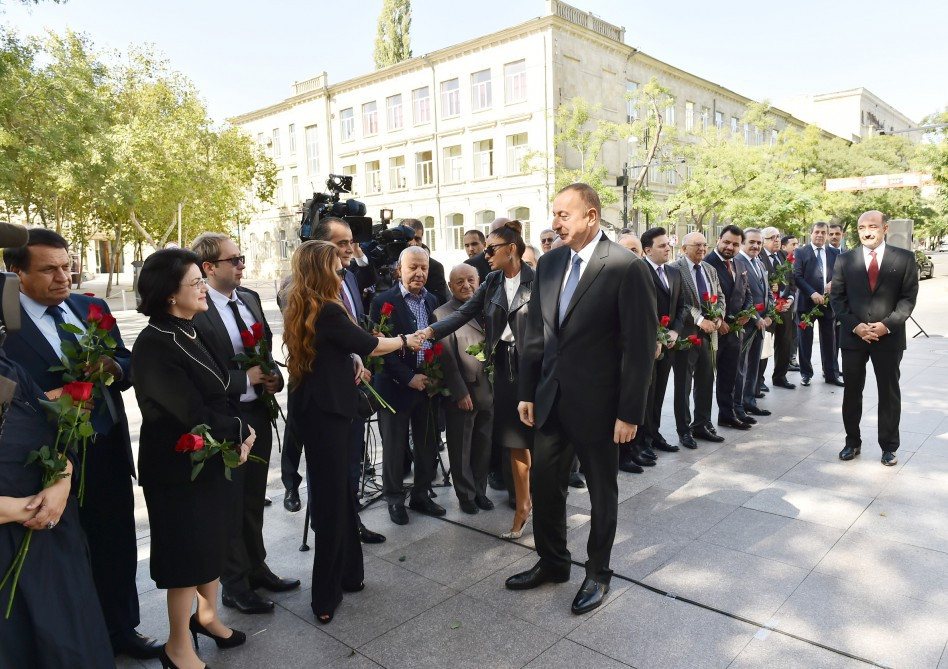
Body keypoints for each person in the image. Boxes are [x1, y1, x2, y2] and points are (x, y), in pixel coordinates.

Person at [2, 229, 159, 660]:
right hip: (44, 462)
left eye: (66, 266)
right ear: (15, 273)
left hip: (104, 448)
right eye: (48, 269)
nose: (62, 277)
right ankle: (77, 638)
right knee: (65, 557)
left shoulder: (91, 307)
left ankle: (122, 628)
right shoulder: (6, 324)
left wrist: (114, 366)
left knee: (116, 541)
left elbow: (130, 362)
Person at [509, 183, 656, 615]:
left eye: (564, 215)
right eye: (554, 214)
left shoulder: (626, 267)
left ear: (591, 216)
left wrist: (630, 412)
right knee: (545, 486)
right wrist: (526, 391)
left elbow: (640, 346)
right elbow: (534, 333)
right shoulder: (551, 262)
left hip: (601, 407)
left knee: (601, 494)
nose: (555, 223)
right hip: (550, 400)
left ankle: (598, 573)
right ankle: (553, 562)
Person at [283, 242, 423, 624]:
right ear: (320, 269)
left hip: (323, 408)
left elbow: (339, 350)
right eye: (336, 264)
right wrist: (407, 341)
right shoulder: (326, 307)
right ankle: (324, 596)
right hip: (326, 415)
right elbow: (370, 343)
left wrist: (353, 362)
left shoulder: (303, 302)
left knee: (344, 494)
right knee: (331, 503)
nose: (342, 270)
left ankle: (350, 575)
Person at [133, 248, 254, 669]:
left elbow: (219, 388)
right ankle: (177, 645)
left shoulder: (189, 328)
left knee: (211, 544)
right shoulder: (153, 343)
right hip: (176, 470)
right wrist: (239, 430)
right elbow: (188, 412)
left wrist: (241, 428)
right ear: (170, 294)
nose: (204, 287)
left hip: (209, 461)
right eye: (196, 283)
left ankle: (207, 618)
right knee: (186, 556)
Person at [189, 233, 299, 615]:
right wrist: (242, 380)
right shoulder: (198, 310)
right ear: (208, 268)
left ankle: (257, 569)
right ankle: (235, 586)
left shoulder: (250, 298)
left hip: (258, 415)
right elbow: (197, 374)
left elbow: (264, 353)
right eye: (234, 259)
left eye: (242, 258)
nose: (241, 265)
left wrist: (273, 379)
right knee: (230, 504)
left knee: (253, 499)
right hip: (224, 420)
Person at [421, 222, 536, 538]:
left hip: (529, 372)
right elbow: (460, 316)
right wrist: (429, 332)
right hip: (499, 375)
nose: (484, 255)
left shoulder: (538, 281)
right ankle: (512, 502)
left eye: (490, 249)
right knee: (507, 443)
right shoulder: (492, 281)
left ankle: (533, 501)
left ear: (511, 249)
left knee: (528, 443)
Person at [830, 211, 918, 466]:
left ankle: (889, 447)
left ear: (885, 228)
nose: (867, 232)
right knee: (852, 392)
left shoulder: (904, 258)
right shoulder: (844, 260)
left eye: (872, 227)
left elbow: (908, 298)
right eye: (861, 227)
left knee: (888, 392)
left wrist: (886, 326)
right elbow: (837, 298)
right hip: (853, 338)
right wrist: (855, 326)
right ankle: (852, 442)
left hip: (888, 338)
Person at [370, 246, 444, 525]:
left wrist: (433, 375)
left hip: (427, 385)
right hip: (395, 386)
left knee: (427, 443)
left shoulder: (432, 300)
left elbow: (437, 340)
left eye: (423, 268)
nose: (419, 273)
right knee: (394, 445)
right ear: (399, 270)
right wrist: (408, 377)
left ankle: (422, 494)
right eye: (413, 267)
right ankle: (394, 499)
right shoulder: (382, 301)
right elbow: (379, 347)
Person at [432, 264, 494, 514]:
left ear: (479, 280)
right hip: (464, 394)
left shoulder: (488, 306)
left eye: (471, 280)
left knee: (483, 445)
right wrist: (460, 392)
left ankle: (481, 491)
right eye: (459, 282)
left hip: (489, 391)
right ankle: (466, 495)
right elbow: (446, 358)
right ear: (449, 286)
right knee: (461, 448)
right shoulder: (442, 313)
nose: (466, 285)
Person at [631, 226, 688, 466]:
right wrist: (654, 338)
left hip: (669, 344)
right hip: (647, 345)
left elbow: (682, 306)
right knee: (645, 394)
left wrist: (674, 331)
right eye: (662, 245)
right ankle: (640, 441)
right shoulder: (639, 272)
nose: (668, 248)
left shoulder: (674, 273)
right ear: (647, 250)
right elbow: (638, 310)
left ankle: (654, 435)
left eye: (668, 244)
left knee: (659, 392)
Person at [671, 232, 726, 448]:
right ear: (684, 248)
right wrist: (700, 318)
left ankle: (702, 424)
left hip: (709, 334)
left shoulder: (710, 269)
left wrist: (719, 316)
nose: (702, 249)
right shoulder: (675, 269)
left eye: (705, 245)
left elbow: (720, 296)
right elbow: (679, 302)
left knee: (706, 381)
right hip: (686, 334)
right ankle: (684, 430)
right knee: (683, 384)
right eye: (697, 245)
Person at [704, 225, 754, 431]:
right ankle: (702, 421)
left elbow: (747, 292)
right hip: (713, 331)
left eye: (735, 244)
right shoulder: (707, 263)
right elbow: (701, 297)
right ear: (718, 240)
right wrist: (718, 320)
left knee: (730, 375)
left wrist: (747, 314)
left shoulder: (740, 264)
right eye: (726, 242)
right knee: (706, 379)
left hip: (735, 331)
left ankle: (728, 414)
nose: (730, 247)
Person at [793, 222, 843, 387]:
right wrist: (811, 293)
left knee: (830, 340)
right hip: (806, 304)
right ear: (811, 233)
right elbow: (797, 276)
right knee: (805, 341)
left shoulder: (835, 253)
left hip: (828, 304)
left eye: (823, 232)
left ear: (827, 234)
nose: (820, 235)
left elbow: (841, 274)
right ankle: (806, 374)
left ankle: (831, 374)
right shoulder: (801, 252)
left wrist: (834, 283)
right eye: (817, 232)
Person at [733, 228, 772, 418]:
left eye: (759, 243)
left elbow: (767, 291)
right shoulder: (738, 262)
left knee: (754, 364)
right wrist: (755, 317)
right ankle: (737, 405)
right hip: (746, 324)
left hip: (761, 324)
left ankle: (750, 401)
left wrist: (769, 314)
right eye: (752, 242)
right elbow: (742, 295)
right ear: (742, 243)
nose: (756, 246)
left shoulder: (759, 262)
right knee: (741, 367)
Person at [759, 227, 796, 390]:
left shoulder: (783, 256)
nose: (776, 240)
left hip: (785, 309)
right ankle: (758, 381)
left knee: (785, 342)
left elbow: (792, 281)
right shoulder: (759, 257)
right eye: (771, 237)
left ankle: (780, 376)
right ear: (763, 241)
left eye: (778, 237)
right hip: (768, 310)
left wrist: (790, 298)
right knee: (764, 344)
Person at [404, 219, 449, 305]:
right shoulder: (390, 263)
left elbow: (440, 300)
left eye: (417, 239)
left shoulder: (435, 267)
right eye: (409, 239)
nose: (413, 243)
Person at [781, 234, 802, 372]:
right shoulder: (782, 262)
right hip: (784, 303)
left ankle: (792, 358)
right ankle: (786, 360)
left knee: (795, 333)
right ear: (783, 247)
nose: (796, 247)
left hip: (797, 301)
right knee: (785, 334)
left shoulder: (798, 260)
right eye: (792, 244)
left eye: (797, 244)